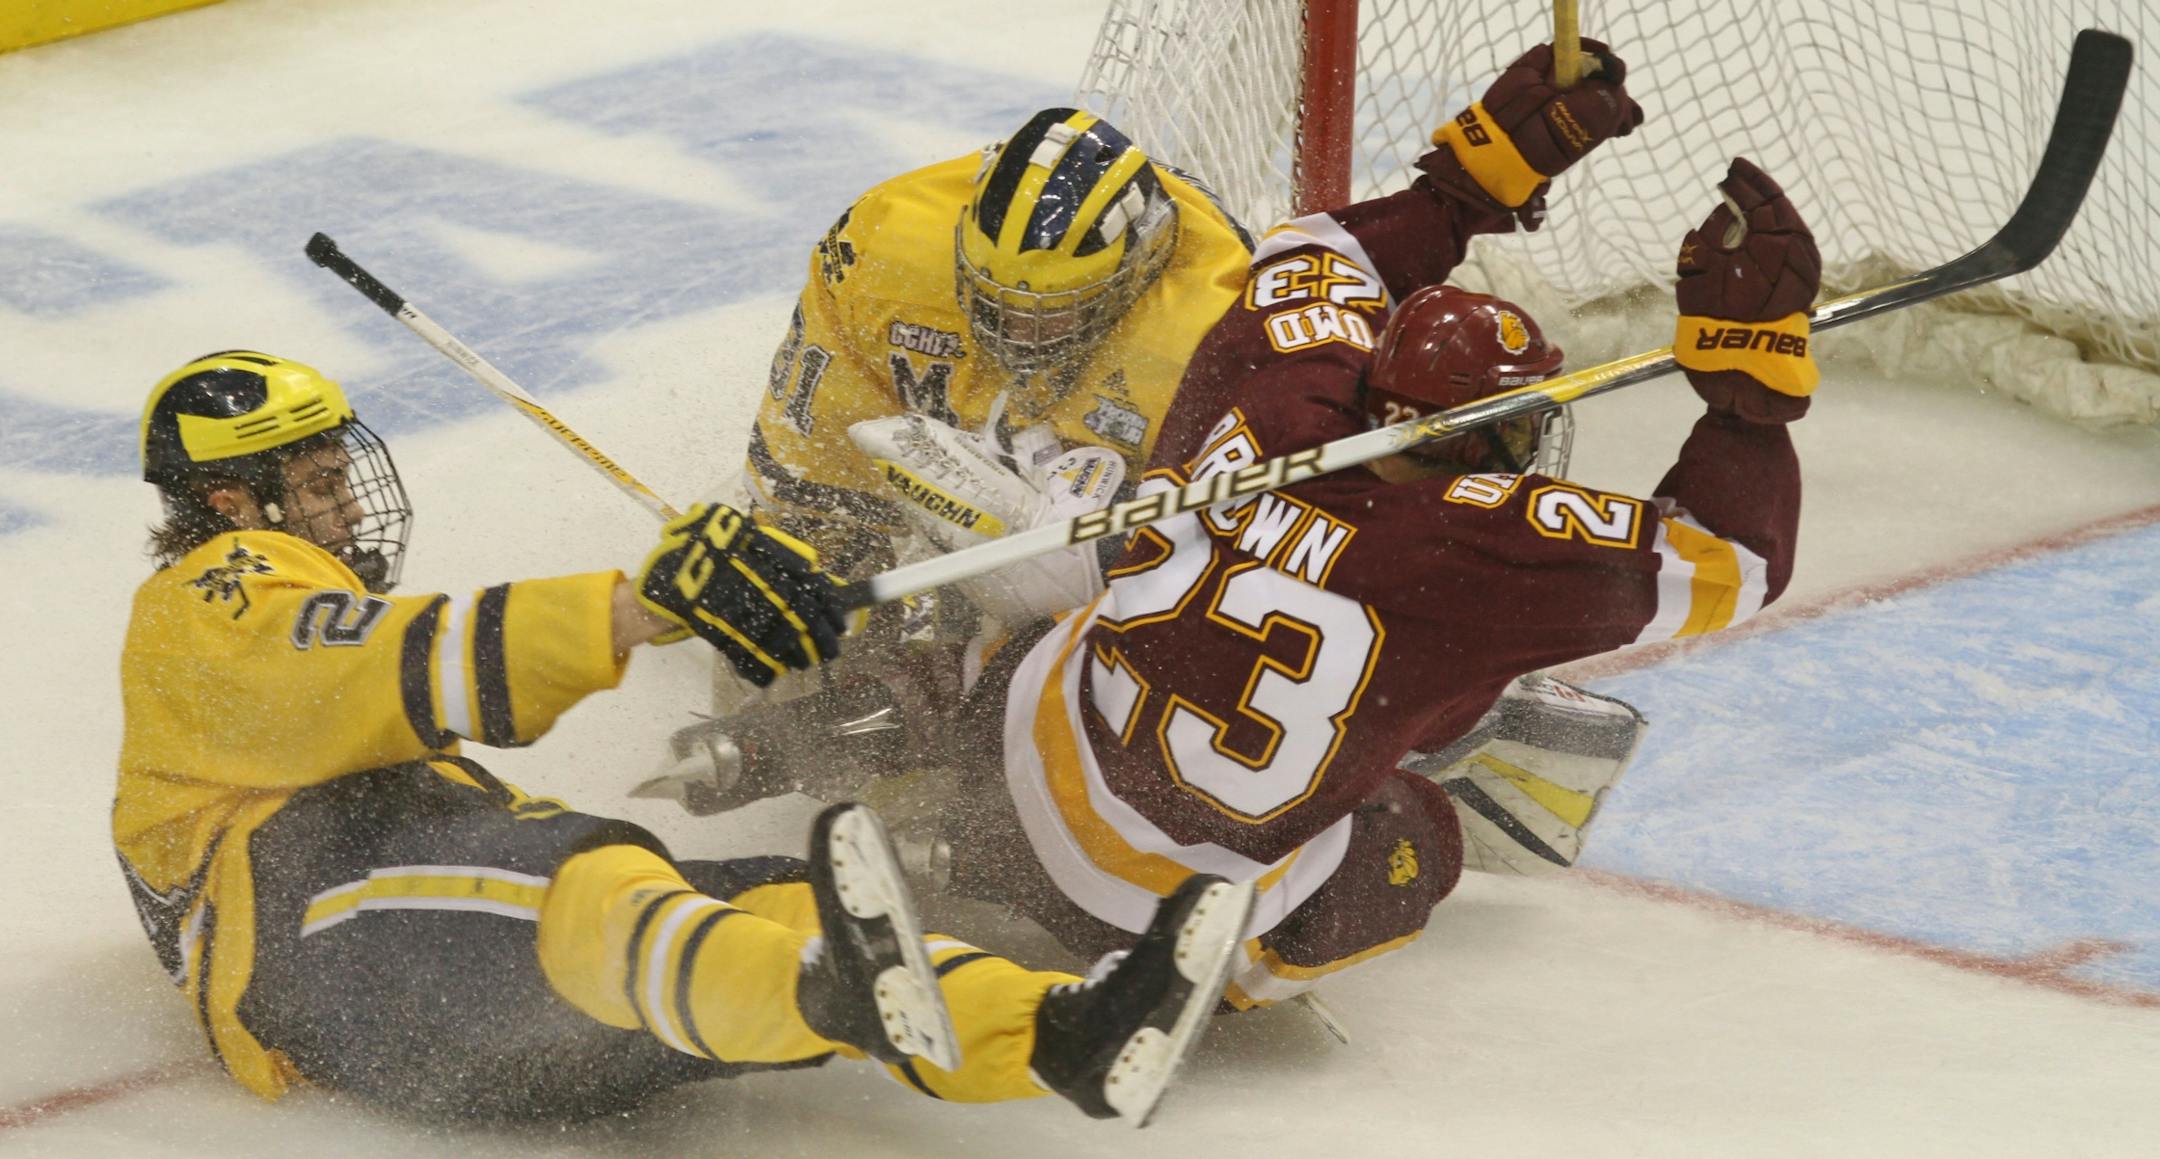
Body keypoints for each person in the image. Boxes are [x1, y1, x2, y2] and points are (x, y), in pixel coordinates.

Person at [114, 349, 1257, 1125]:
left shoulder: (260, 613)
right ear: (232, 505)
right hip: (307, 941)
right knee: (589, 883)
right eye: (318, 485)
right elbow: (396, 663)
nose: (351, 508)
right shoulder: (210, 598)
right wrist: (644, 602)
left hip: (455, 1015)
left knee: (768, 900)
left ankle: (1055, 1031)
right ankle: (823, 991)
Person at [911, 146, 1818, 1010]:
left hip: (1018, 758)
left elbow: (1316, 251)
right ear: (1483, 443)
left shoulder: (1280, 391)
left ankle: (913, 756)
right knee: (1410, 828)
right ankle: (1225, 979)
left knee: (1083, 617)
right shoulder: (1497, 557)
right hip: (1140, 917)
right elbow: (1735, 560)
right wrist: (1748, 390)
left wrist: (1479, 176)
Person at [657, 41, 1647, 813]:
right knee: (786, 621)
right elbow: (804, 474)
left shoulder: (1215, 320)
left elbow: (1273, 555)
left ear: (1133, 280)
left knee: (1108, 678)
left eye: (1050, 319)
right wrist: (813, 578)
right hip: (1002, 494)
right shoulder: (883, 242)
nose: (1013, 338)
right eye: (990, 304)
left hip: (1129, 546)